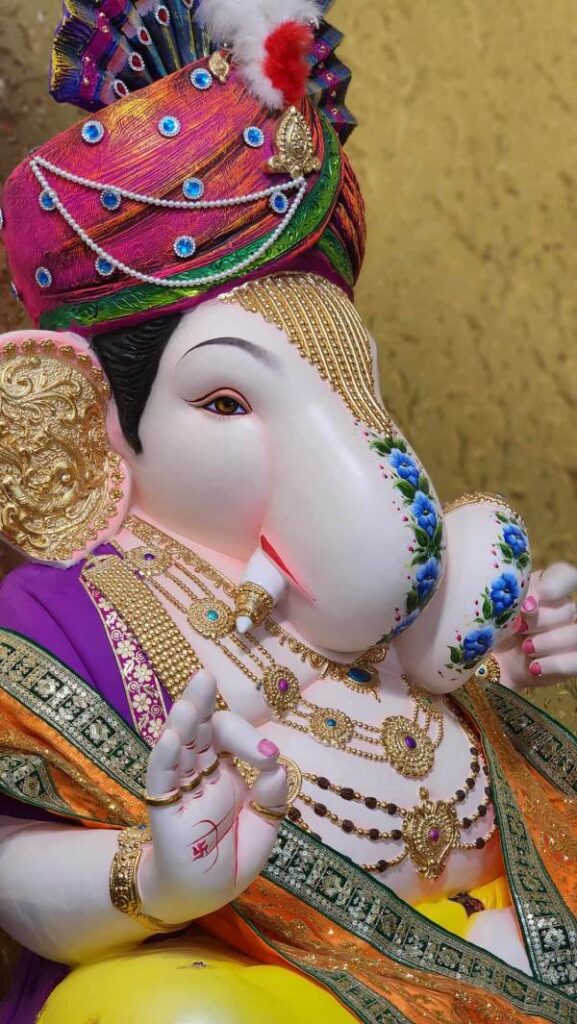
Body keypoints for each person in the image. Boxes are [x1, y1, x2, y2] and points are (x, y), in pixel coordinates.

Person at [0, 2, 575, 1021]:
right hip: (259, 982)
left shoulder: (385, 590)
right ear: (90, 420)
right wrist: (157, 876)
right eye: (225, 402)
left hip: (494, 937)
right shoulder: (58, 621)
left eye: (352, 382)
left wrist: (496, 659)